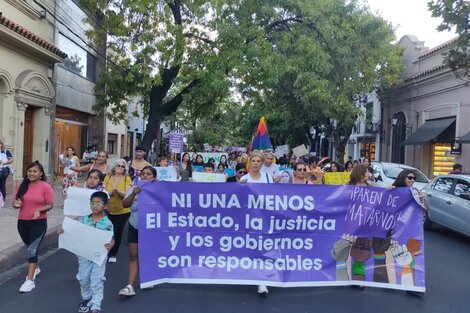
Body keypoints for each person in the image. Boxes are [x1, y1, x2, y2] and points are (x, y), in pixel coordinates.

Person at [59, 191, 114, 313]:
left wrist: (111, 244)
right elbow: (73, 230)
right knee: (83, 278)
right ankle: (87, 298)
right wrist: (63, 230)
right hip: (84, 255)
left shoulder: (108, 223)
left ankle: (96, 305)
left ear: (105, 205)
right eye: (92, 203)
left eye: (98, 203)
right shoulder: (84, 219)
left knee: (97, 279)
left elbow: (111, 238)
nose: (95, 206)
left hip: (99, 256)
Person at [13, 161, 54, 293]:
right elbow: (15, 203)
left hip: (39, 222)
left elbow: (50, 205)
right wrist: (16, 205)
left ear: (41, 173)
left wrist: (40, 210)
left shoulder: (45, 187)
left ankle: (30, 281)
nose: (31, 173)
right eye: (29, 171)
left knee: (31, 250)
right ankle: (35, 268)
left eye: (34, 171)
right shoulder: (22, 185)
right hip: (22, 222)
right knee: (29, 248)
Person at [119, 166, 157, 297]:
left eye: (149, 174)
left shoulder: (159, 190)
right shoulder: (134, 189)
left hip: (151, 228)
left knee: (147, 254)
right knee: (133, 256)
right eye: (143, 174)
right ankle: (129, 286)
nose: (145, 176)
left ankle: (148, 278)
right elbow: (124, 204)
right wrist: (134, 193)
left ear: (154, 177)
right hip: (134, 226)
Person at [239, 151, 274, 295]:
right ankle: (253, 275)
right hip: (249, 219)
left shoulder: (268, 178)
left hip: (264, 219)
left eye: (258, 161)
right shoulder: (244, 179)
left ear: (261, 163)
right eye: (253, 161)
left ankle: (262, 281)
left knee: (263, 249)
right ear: (249, 162)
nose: (255, 163)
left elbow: (274, 197)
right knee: (252, 249)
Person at [102, 159, 132, 263]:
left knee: (117, 233)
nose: (120, 167)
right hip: (108, 210)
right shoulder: (108, 177)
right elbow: (103, 193)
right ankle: (104, 252)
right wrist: (111, 192)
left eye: (122, 166)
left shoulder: (127, 179)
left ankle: (113, 254)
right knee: (107, 232)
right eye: (118, 165)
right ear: (114, 167)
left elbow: (127, 195)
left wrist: (118, 191)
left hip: (123, 211)